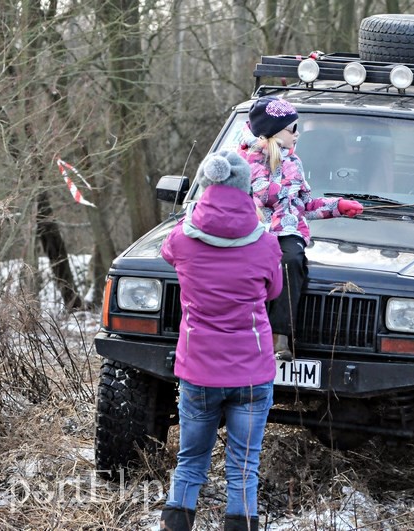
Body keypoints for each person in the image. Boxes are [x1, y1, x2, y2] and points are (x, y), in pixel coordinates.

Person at [159, 150, 283, 531]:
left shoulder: (182, 239)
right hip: (251, 371)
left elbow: (167, 252)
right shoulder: (266, 243)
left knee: (191, 460)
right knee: (244, 465)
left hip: (198, 369)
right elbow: (274, 290)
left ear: (207, 185)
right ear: (247, 189)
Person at [238, 96, 363, 360]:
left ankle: (279, 336)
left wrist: (338, 206)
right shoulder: (245, 160)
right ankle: (243, 335)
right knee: (249, 267)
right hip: (254, 231)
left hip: (287, 230)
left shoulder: (293, 162)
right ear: (273, 132)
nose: (298, 135)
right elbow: (262, 196)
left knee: (291, 260)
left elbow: (306, 203)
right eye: (292, 129)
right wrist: (270, 163)